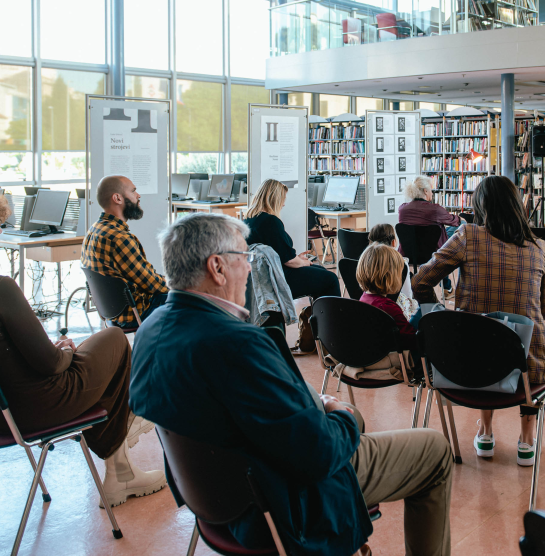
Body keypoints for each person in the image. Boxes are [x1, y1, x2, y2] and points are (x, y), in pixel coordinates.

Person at [129, 213, 454, 556]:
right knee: (432, 450)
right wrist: (340, 412)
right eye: (246, 257)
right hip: (283, 499)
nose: (252, 268)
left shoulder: (151, 330)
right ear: (217, 267)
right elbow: (320, 454)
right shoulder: (237, 344)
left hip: (217, 503)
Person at [0, 192, 165, 508]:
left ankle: (122, 464)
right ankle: (123, 449)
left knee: (99, 353)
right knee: (114, 338)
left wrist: (59, 352)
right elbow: (50, 364)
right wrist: (66, 351)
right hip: (38, 407)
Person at [412, 175, 545, 467]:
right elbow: (544, 308)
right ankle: (527, 440)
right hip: (529, 366)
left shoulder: (468, 236)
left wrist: (439, 314)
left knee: (484, 336)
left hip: (469, 362)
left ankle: (486, 431)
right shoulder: (539, 245)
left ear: (481, 206)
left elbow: (420, 281)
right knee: (519, 342)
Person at [81, 175, 168, 327]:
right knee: (192, 298)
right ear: (118, 198)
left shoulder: (94, 230)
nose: (138, 195)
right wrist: (180, 284)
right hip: (135, 313)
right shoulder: (119, 237)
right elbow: (153, 284)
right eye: (133, 191)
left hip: (112, 313)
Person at [244, 178, 340, 300]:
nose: (283, 204)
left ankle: (320, 316)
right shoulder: (270, 221)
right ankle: (332, 318)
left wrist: (297, 259)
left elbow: (280, 253)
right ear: (275, 199)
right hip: (278, 278)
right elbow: (289, 261)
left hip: (263, 275)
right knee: (330, 279)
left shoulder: (249, 220)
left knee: (320, 270)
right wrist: (303, 262)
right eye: (283, 199)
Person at [356, 243, 416, 351]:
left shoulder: (363, 298)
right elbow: (412, 339)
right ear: (390, 276)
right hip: (393, 358)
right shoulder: (389, 307)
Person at [368, 222, 418, 318]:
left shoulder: (365, 262)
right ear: (394, 242)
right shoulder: (401, 263)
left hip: (369, 305)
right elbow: (407, 293)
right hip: (394, 310)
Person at [398, 176, 461, 249]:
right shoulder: (435, 209)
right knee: (462, 224)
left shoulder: (402, 209)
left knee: (443, 229)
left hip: (409, 253)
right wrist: (461, 218)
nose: (432, 193)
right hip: (436, 254)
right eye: (431, 190)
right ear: (425, 191)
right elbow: (455, 221)